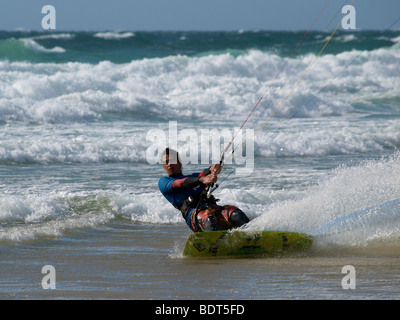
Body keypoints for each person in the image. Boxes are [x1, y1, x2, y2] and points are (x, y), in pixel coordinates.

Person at [158, 148, 250, 233]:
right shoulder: (164, 182)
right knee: (208, 219)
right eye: (166, 162)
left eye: (172, 160)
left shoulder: (194, 176)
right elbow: (181, 183)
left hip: (214, 209)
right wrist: (202, 180)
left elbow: (204, 173)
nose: (169, 164)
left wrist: (212, 169)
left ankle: (252, 238)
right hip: (196, 216)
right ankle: (214, 245)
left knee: (236, 214)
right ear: (163, 167)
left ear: (179, 162)